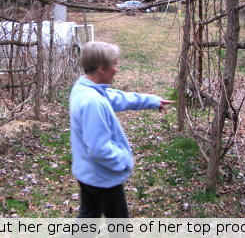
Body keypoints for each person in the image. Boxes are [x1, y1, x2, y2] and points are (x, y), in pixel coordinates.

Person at [69, 41, 175, 218]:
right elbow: (99, 149)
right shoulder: (92, 102)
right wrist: (125, 160)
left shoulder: (85, 89)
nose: (117, 69)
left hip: (88, 173)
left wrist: (151, 101)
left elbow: (118, 98)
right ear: (102, 68)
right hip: (103, 178)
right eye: (115, 64)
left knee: (87, 222)